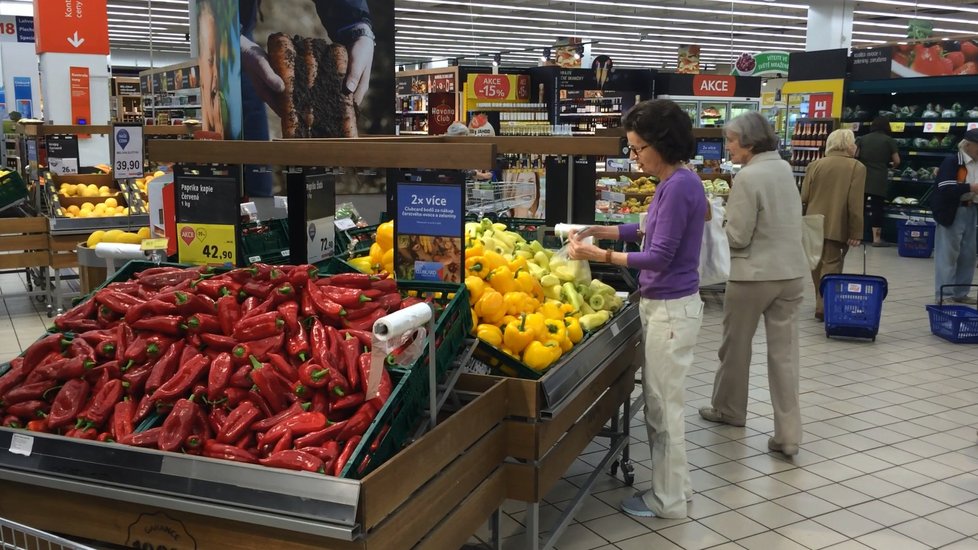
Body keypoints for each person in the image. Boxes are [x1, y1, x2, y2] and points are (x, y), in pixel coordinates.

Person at [567, 99, 705, 519]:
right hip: (665, 308)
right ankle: (676, 488)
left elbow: (659, 255)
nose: (635, 156)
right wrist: (600, 229)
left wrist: (601, 256)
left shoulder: (679, 186)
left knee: (664, 409)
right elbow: (644, 228)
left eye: (638, 148)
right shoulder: (673, 181)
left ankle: (668, 502)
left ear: (661, 144)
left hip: (670, 311)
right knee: (664, 405)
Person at [698, 112, 807, 457]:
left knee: (735, 347)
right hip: (790, 273)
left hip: (752, 276)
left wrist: (716, 224)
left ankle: (730, 410)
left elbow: (739, 236)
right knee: (784, 355)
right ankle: (788, 435)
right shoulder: (784, 169)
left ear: (748, 141)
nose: (727, 146)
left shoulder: (748, 176)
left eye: (731, 140)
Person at [238, 0, 375, 195]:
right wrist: (231, 39)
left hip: (240, 26)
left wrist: (356, 26)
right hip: (222, 23)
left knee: (255, 169)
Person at [801, 129, 866, 321]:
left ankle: (820, 300)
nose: (855, 146)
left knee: (816, 264)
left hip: (813, 222)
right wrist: (856, 231)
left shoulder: (814, 165)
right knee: (832, 264)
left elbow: (804, 196)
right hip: (838, 223)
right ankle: (824, 304)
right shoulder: (857, 167)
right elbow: (855, 203)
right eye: (853, 142)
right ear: (848, 145)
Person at [931, 129, 978, 304]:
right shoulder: (952, 162)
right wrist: (970, 188)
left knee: (969, 255)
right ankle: (944, 295)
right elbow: (945, 189)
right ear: (967, 145)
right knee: (948, 255)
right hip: (952, 211)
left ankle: (961, 293)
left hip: (972, 209)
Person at [856, 116, 901, 246]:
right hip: (879, 177)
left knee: (860, 208)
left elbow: (855, 155)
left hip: (863, 176)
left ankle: (857, 236)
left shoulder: (862, 139)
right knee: (877, 208)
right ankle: (876, 239)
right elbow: (897, 160)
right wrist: (891, 166)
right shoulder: (889, 141)